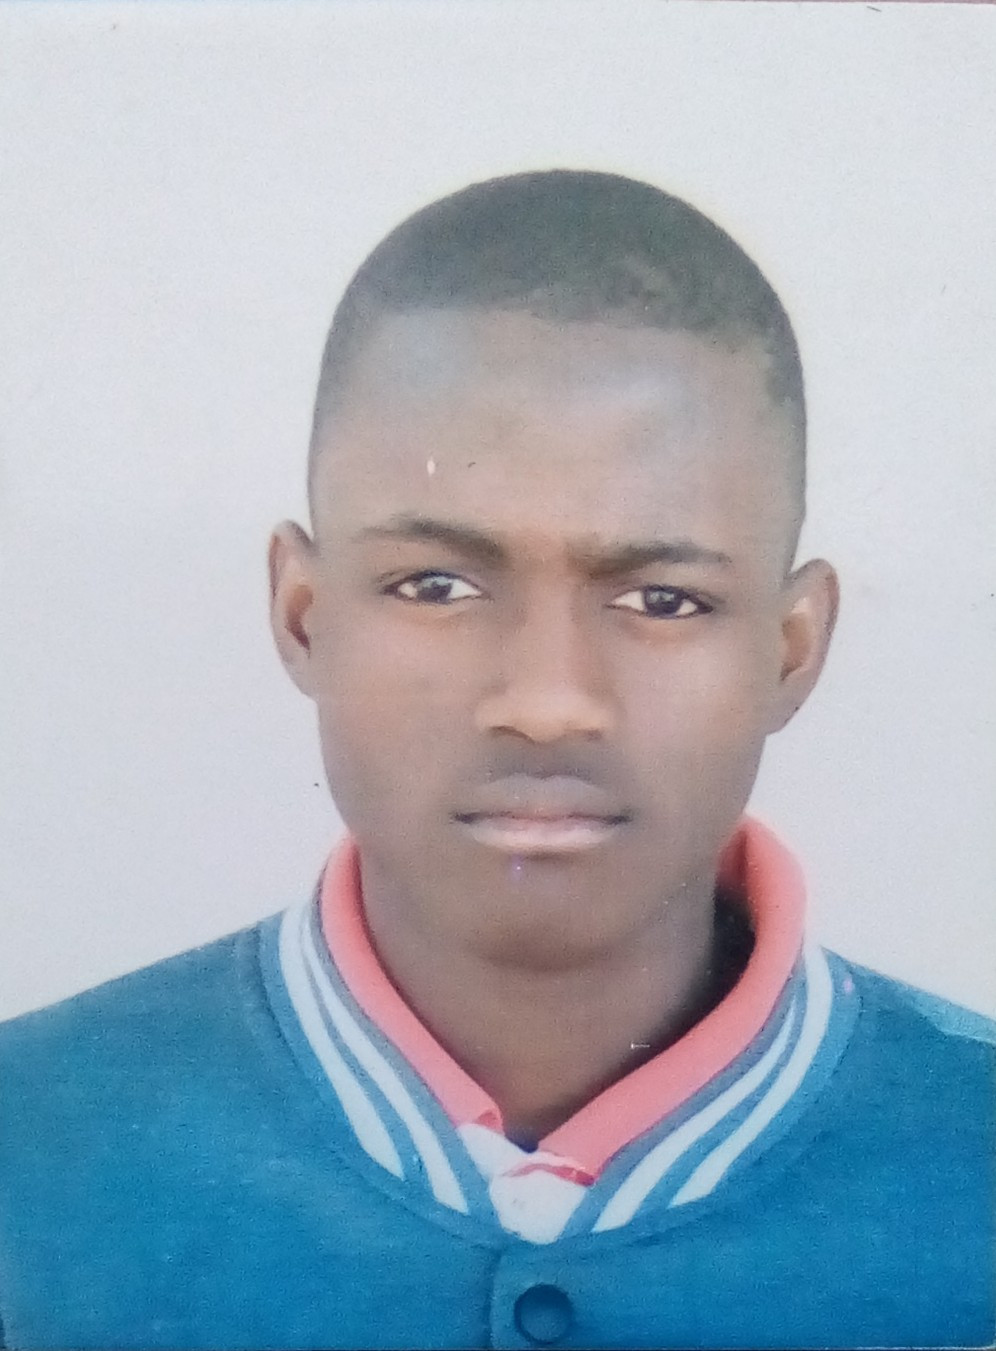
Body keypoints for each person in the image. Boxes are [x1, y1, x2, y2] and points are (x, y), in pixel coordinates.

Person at [0, 170, 992, 1351]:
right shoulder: (31, 1150)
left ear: (791, 650)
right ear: (305, 615)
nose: (547, 702)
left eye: (664, 598)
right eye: (436, 585)